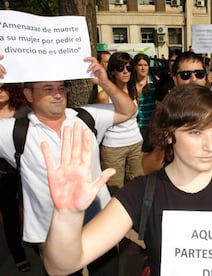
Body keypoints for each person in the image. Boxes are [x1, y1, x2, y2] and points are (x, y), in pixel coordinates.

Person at [41, 84, 212, 276]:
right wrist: (67, 215)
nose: (209, 145)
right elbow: (61, 266)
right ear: (169, 134)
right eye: (195, 132)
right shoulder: (141, 192)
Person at [0, 54, 137, 275]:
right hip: (51, 234)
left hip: (98, 225)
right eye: (47, 88)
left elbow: (128, 111)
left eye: (61, 88)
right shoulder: (14, 131)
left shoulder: (85, 116)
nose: (57, 94)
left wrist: (105, 83)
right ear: (28, 94)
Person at [96, 52, 144, 194]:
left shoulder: (134, 90)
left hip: (136, 144)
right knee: (115, 190)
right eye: (120, 68)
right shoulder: (103, 96)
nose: (125, 72)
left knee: (137, 187)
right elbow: (99, 124)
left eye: (129, 68)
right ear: (112, 71)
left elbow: (134, 116)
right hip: (113, 148)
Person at [0, 83, 31, 272]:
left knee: (31, 209)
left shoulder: (24, 111)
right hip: (3, 174)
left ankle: (38, 245)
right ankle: (18, 253)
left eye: (4, 87)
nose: (1, 90)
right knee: (10, 213)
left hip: (25, 170)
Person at [128, 53, 158, 138]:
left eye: (145, 65)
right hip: (134, 127)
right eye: (140, 65)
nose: (143, 68)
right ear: (135, 67)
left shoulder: (155, 81)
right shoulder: (130, 84)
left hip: (151, 126)